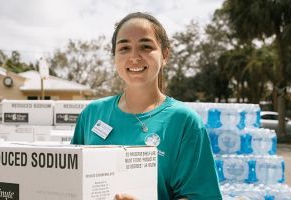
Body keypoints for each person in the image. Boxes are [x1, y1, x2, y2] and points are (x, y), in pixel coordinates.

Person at [71, 12, 222, 200]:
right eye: (124, 48)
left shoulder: (184, 121)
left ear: (164, 54)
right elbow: (72, 183)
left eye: (145, 46)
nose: (134, 57)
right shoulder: (91, 114)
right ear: (115, 56)